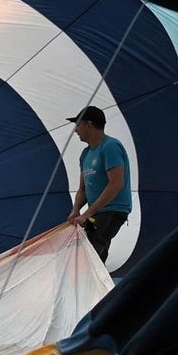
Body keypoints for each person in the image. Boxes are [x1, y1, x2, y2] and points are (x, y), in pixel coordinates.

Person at [66, 105, 131, 262]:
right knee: (95, 255)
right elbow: (83, 189)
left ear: (89, 124)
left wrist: (87, 214)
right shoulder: (85, 153)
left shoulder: (110, 147)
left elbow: (116, 184)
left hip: (112, 210)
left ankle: (88, 284)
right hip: (97, 213)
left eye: (78, 124)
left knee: (88, 253)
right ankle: (100, 284)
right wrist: (76, 210)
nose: (76, 130)